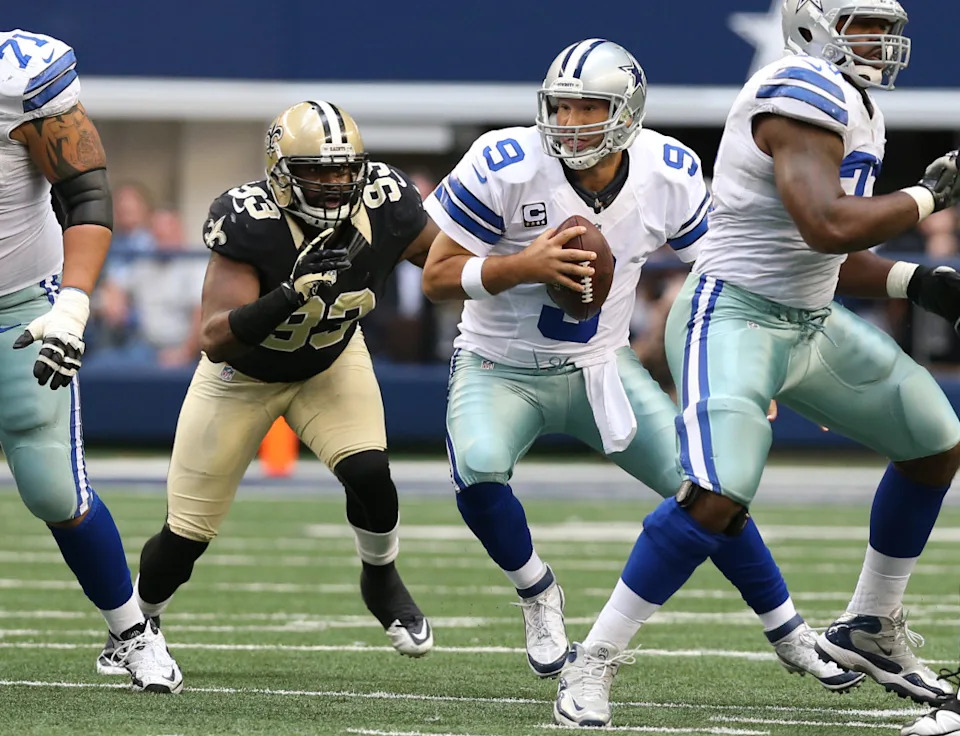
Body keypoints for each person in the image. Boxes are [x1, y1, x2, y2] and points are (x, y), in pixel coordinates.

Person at [552, 2, 960, 727]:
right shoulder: (798, 90)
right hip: (732, 315)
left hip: (810, 320)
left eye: (885, 28)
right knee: (717, 495)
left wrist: (915, 281)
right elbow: (825, 223)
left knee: (933, 439)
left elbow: (825, 254)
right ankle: (594, 658)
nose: (880, 41)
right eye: (863, 25)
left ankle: (871, 623)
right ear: (814, 23)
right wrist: (930, 195)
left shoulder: (854, 103)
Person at [421, 38, 860, 697]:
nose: (569, 122)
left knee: (708, 486)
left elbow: (728, 275)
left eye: (587, 108)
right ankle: (536, 590)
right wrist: (523, 266)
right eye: (560, 107)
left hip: (603, 364)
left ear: (627, 113)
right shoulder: (504, 162)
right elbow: (435, 277)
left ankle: (789, 629)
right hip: (498, 363)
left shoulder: (668, 170)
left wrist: (748, 367)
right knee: (477, 468)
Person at [95, 101, 439, 672]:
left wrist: (510, 265)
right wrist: (289, 293)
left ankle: (380, 578)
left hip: (330, 359)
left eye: (343, 169)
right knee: (184, 538)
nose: (334, 183)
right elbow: (214, 337)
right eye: (316, 170)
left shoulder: (386, 199)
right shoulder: (249, 217)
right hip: (241, 376)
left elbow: (444, 261)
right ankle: (138, 624)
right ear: (281, 172)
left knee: (370, 473)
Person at [0, 29, 181, 692]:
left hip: (19, 303)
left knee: (52, 484)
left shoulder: (18, 74)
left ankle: (133, 633)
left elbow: (86, 192)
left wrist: (74, 306)